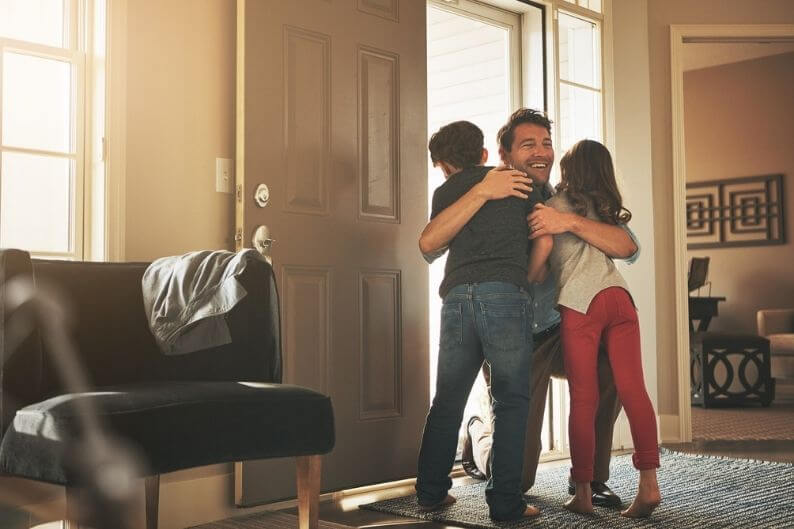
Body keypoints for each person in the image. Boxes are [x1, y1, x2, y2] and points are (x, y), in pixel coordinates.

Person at [421, 108, 639, 508]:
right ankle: (479, 439)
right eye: (528, 145)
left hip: (561, 327)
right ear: (502, 156)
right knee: (516, 470)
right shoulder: (490, 190)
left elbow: (628, 247)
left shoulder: (565, 199)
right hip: (517, 330)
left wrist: (566, 223)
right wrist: (485, 192)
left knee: (609, 365)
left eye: (546, 143)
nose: (541, 152)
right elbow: (430, 246)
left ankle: (589, 478)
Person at [415, 120, 543, 521]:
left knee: (447, 400)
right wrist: (527, 277)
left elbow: (434, 245)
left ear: (443, 165)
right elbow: (545, 237)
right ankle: (505, 503)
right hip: (505, 292)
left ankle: (430, 493)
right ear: (485, 154)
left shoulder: (446, 191)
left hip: (456, 298)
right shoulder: (519, 182)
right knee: (510, 401)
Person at [527, 139, 660, 517]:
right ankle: (649, 486)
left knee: (584, 398)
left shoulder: (551, 208)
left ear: (569, 171)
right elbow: (626, 250)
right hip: (620, 298)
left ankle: (583, 491)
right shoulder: (604, 210)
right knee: (634, 390)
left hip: (582, 304)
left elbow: (538, 269)